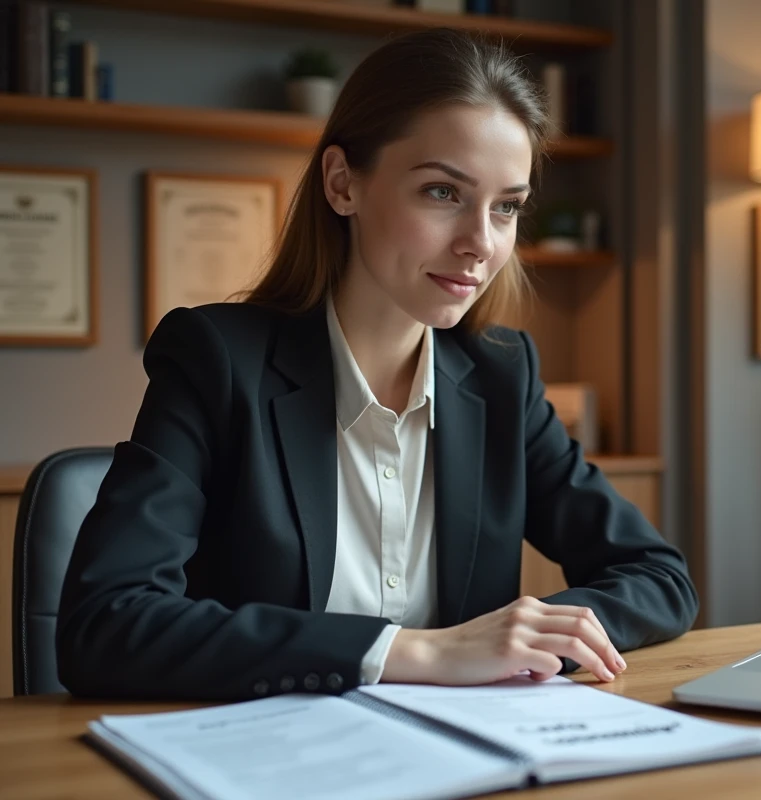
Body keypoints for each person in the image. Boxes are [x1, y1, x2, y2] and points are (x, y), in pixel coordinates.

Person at [56, 28, 699, 701]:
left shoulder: (502, 377)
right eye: (443, 193)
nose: (481, 243)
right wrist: (412, 652)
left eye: (506, 206)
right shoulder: (217, 360)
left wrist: (537, 637)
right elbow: (106, 624)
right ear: (342, 184)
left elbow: (658, 576)